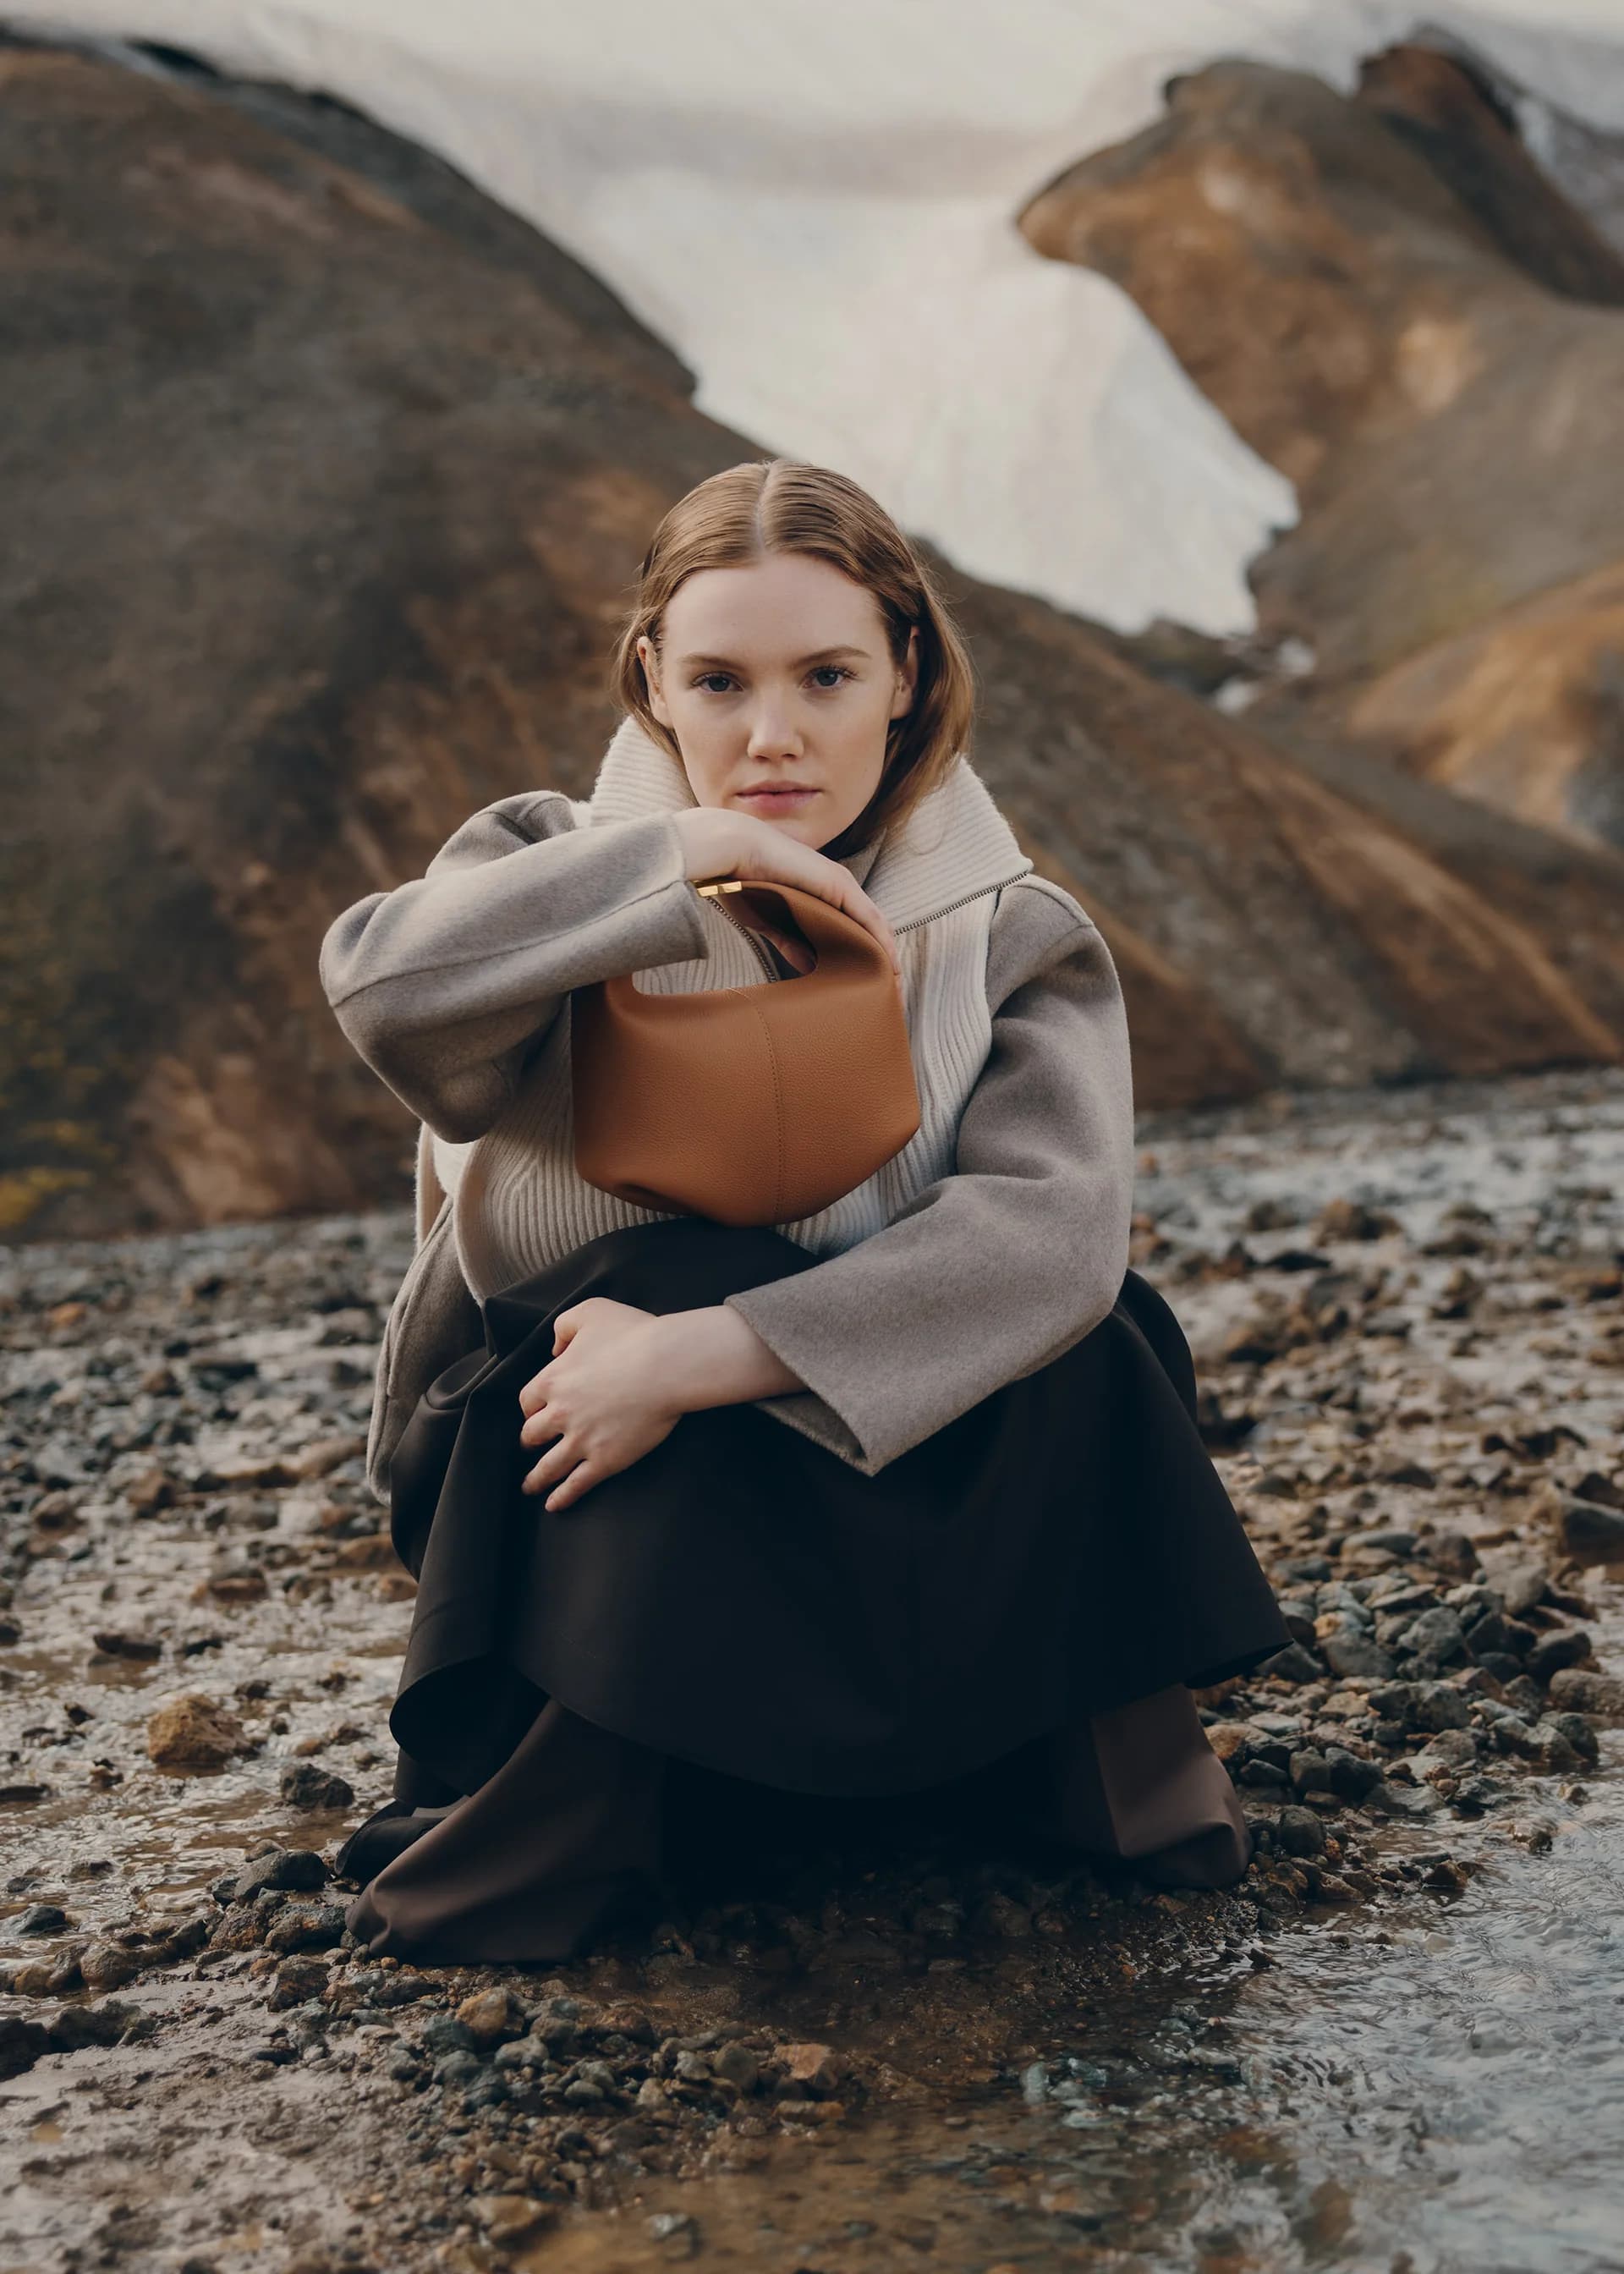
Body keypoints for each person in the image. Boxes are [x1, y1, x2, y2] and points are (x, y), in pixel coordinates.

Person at [316, 457, 1290, 1964]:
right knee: (641, 1278)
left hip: (858, 1475)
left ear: (905, 673)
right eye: (718, 680)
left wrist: (707, 1353)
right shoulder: (543, 866)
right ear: (652, 682)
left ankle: (1118, 1785)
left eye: (826, 675)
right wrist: (684, 856)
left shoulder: (1010, 926)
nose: (771, 735)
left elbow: (1057, 1237)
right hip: (580, 1494)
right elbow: (383, 990)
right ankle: (571, 1822)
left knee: (1094, 1333)